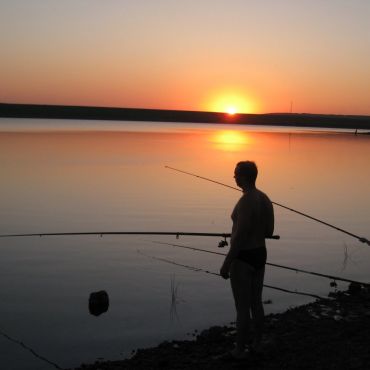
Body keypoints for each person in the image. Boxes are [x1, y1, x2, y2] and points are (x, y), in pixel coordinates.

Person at [220, 161, 274, 358]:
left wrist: (226, 264)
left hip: (243, 257)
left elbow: (241, 236)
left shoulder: (245, 201)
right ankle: (258, 344)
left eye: (235, 174)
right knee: (256, 303)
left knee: (242, 307)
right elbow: (269, 231)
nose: (233, 177)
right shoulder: (265, 199)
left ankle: (239, 350)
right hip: (260, 253)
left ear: (243, 176)